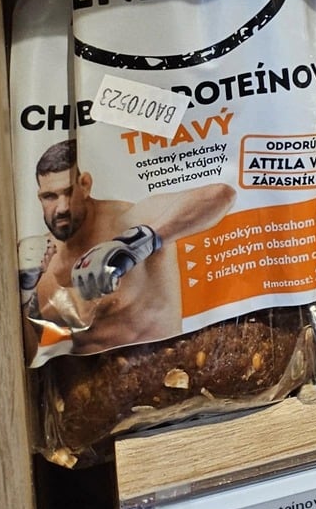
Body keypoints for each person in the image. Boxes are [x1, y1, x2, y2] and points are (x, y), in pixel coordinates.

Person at [27, 139, 235, 353]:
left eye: (69, 192)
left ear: (85, 184)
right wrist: (25, 293)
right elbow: (29, 351)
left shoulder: (130, 219)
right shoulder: (40, 261)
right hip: (86, 374)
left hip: (168, 365)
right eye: (50, 196)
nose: (62, 208)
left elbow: (220, 195)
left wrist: (133, 244)